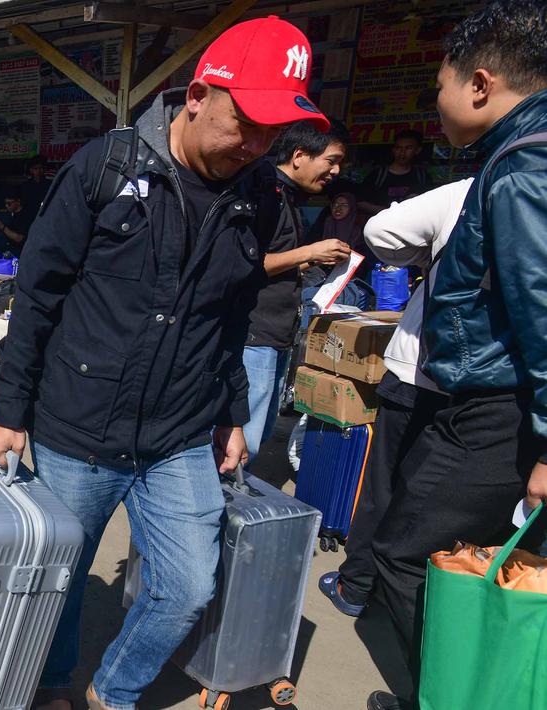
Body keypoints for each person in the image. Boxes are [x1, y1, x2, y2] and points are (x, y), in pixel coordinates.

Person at [0, 17, 326, 709]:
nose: (256, 145)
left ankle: (112, 692)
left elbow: (231, 315)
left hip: (176, 434)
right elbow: (38, 294)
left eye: (272, 133)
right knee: (63, 577)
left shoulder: (259, 196)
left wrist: (232, 413)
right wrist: (6, 410)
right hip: (75, 425)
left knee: (187, 586)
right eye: (245, 123)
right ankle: (53, 687)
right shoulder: (106, 166)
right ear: (198, 95)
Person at [363, 4, 547, 708]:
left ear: (478, 83)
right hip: (503, 406)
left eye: (437, 87)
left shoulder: (522, 166)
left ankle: (441, 697)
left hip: (498, 411)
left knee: (405, 552)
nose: (434, 106)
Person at [315, 179, 468, 622]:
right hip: (486, 391)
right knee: (437, 495)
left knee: (383, 483)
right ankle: (414, 597)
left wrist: (429, 256)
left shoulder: (472, 190)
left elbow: (382, 231)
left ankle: (357, 584)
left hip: (418, 369)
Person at [243, 120, 351, 459]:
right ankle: (223, 502)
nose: (335, 171)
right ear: (300, 155)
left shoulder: (288, 198)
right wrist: (309, 252)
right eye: (330, 161)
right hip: (255, 334)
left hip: (278, 334)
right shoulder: (264, 193)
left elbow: (279, 263)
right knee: (243, 440)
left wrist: (317, 262)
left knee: (260, 430)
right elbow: (248, 264)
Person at [357, 129, 434, 217]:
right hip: (381, 225)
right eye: (398, 148)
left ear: (417, 150)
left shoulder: (422, 176)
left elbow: (430, 204)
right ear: (393, 150)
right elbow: (360, 202)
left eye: (408, 148)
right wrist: (386, 212)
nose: (402, 152)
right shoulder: (378, 175)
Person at [0, 189, 32, 260]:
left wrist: (2, 227)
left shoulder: (26, 217)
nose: (6, 206)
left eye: (9, 203)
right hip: (3, 253)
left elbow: (19, 238)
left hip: (19, 254)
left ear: (18, 202)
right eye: (5, 203)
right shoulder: (7, 214)